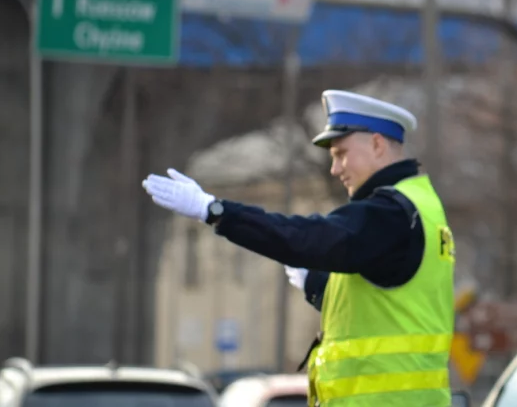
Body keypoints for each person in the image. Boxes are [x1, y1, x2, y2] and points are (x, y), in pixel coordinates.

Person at [142, 90, 456, 407]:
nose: (335, 168)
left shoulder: (389, 214)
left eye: (341, 153)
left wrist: (214, 211)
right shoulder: (419, 207)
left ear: (376, 144)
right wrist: (318, 286)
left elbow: (305, 237)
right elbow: (393, 308)